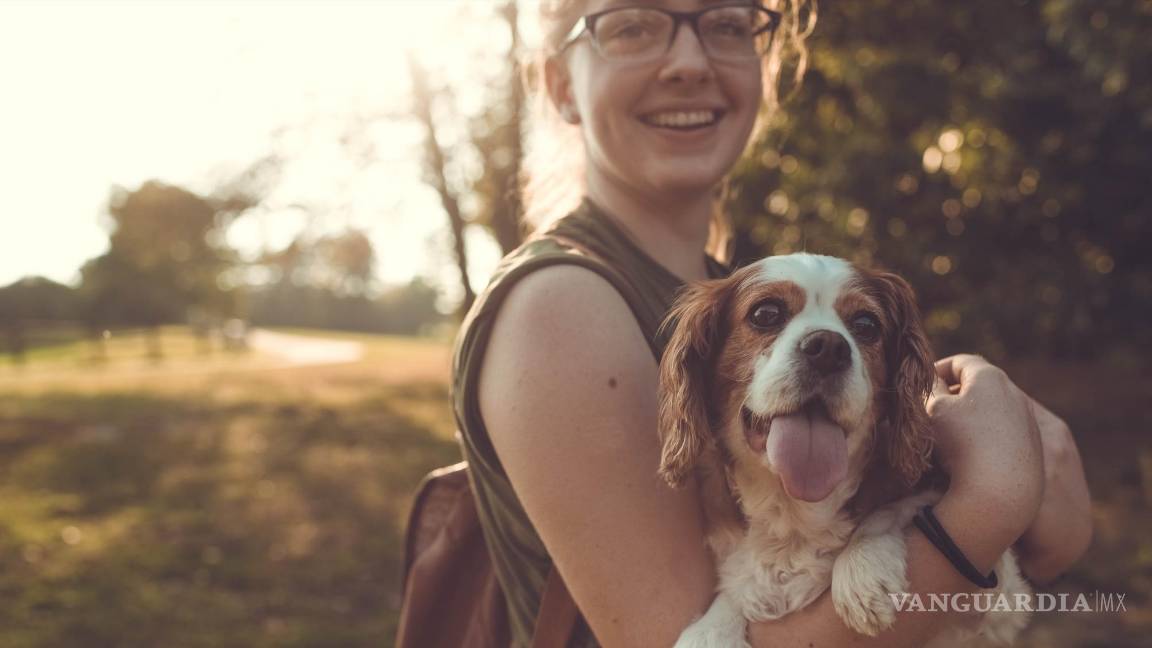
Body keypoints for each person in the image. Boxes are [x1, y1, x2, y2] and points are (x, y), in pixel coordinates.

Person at [451, 1, 1093, 646]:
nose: (688, 62)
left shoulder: (734, 281)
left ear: (765, 67)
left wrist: (1038, 522)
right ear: (560, 83)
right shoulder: (560, 303)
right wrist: (993, 505)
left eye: (727, 23)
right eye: (632, 24)